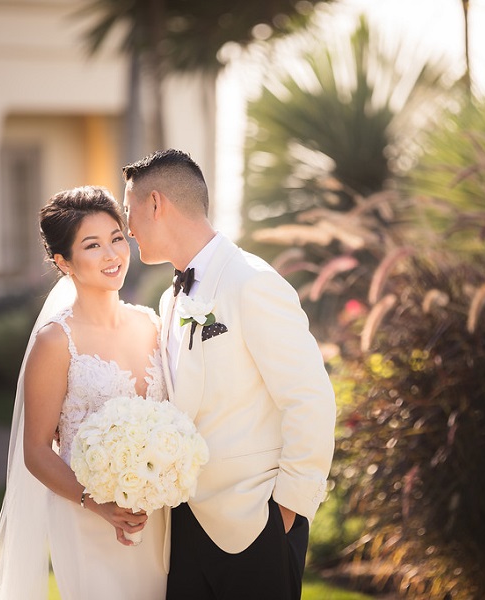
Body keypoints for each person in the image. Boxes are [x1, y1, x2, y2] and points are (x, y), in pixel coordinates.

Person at [122, 149, 337, 600]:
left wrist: (286, 511)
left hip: (256, 525)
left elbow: (310, 399)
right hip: (186, 528)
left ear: (156, 204)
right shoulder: (170, 299)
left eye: (130, 211)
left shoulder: (252, 281)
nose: (128, 228)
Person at [0, 186, 168, 599]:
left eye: (117, 238)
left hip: (160, 517)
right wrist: (99, 505)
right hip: (90, 522)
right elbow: (36, 451)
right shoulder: (55, 342)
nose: (112, 255)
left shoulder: (152, 325)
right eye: (92, 245)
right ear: (64, 262)